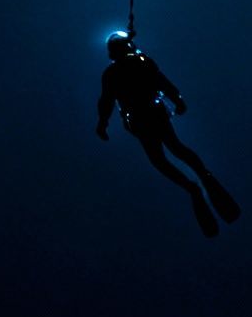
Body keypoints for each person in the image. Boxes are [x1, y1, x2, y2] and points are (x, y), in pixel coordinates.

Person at [94, 29, 239, 237]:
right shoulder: (140, 62)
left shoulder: (114, 72)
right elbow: (162, 82)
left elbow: (107, 101)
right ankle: (202, 177)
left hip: (142, 120)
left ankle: (194, 184)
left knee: (161, 158)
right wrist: (177, 100)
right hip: (153, 115)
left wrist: (102, 123)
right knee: (175, 148)